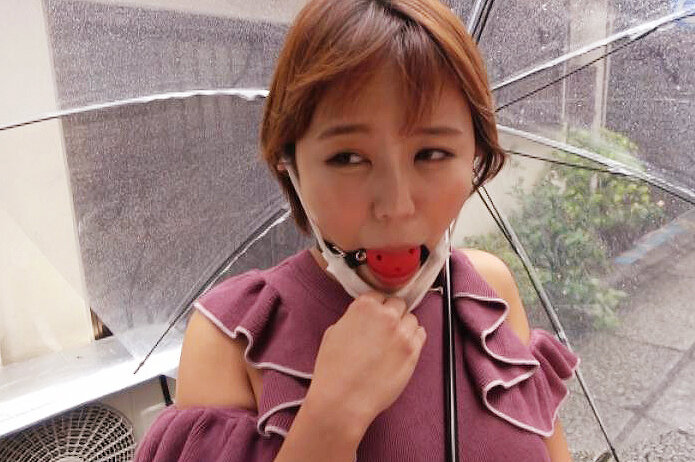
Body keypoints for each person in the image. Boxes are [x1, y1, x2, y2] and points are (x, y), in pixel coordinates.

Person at [133, 0, 579, 461]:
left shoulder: (486, 293)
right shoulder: (234, 340)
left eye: (431, 153)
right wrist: (333, 415)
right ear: (289, 163)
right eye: (348, 158)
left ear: (475, 155)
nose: (396, 208)